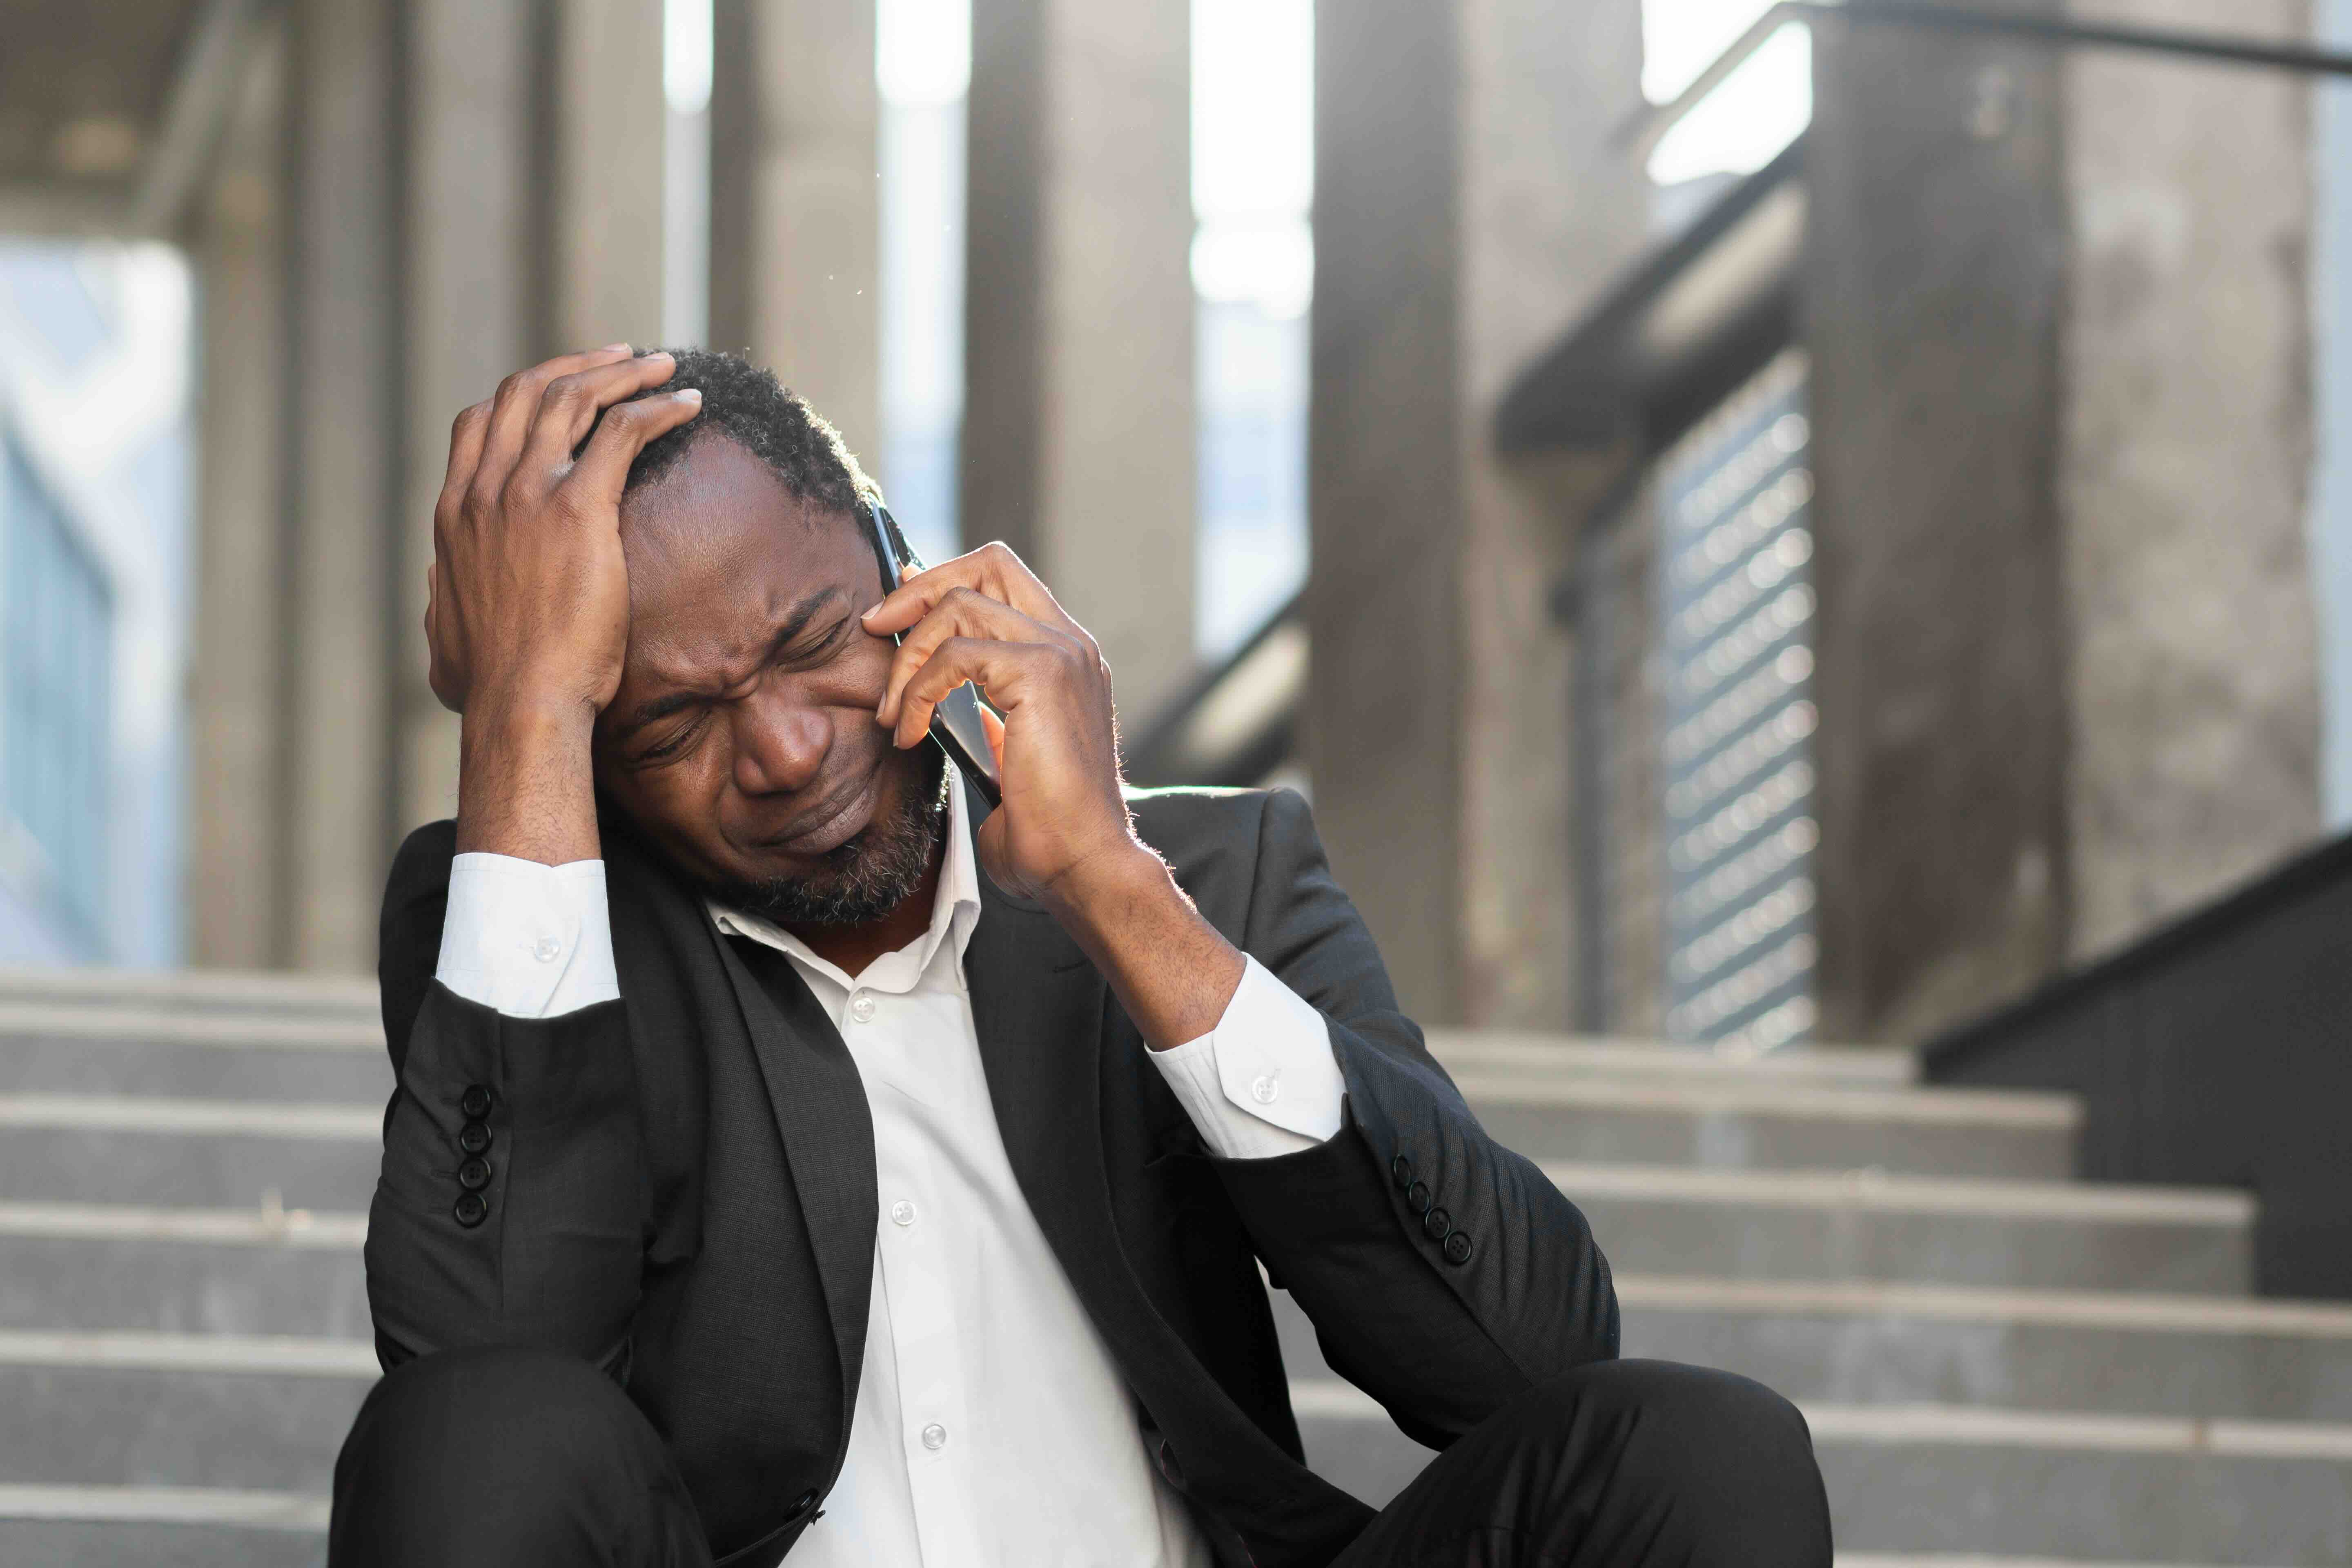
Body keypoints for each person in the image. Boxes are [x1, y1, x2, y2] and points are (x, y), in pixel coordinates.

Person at [330, 344, 1832, 1568]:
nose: (784, 752)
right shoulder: (540, 922)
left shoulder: (1217, 874)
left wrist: (1118, 892)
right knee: (474, 1442)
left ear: (911, 572)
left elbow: (1526, 1364)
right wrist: (524, 710)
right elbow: (483, 1394)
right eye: (669, 723)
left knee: (1698, 1455)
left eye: (811, 644)